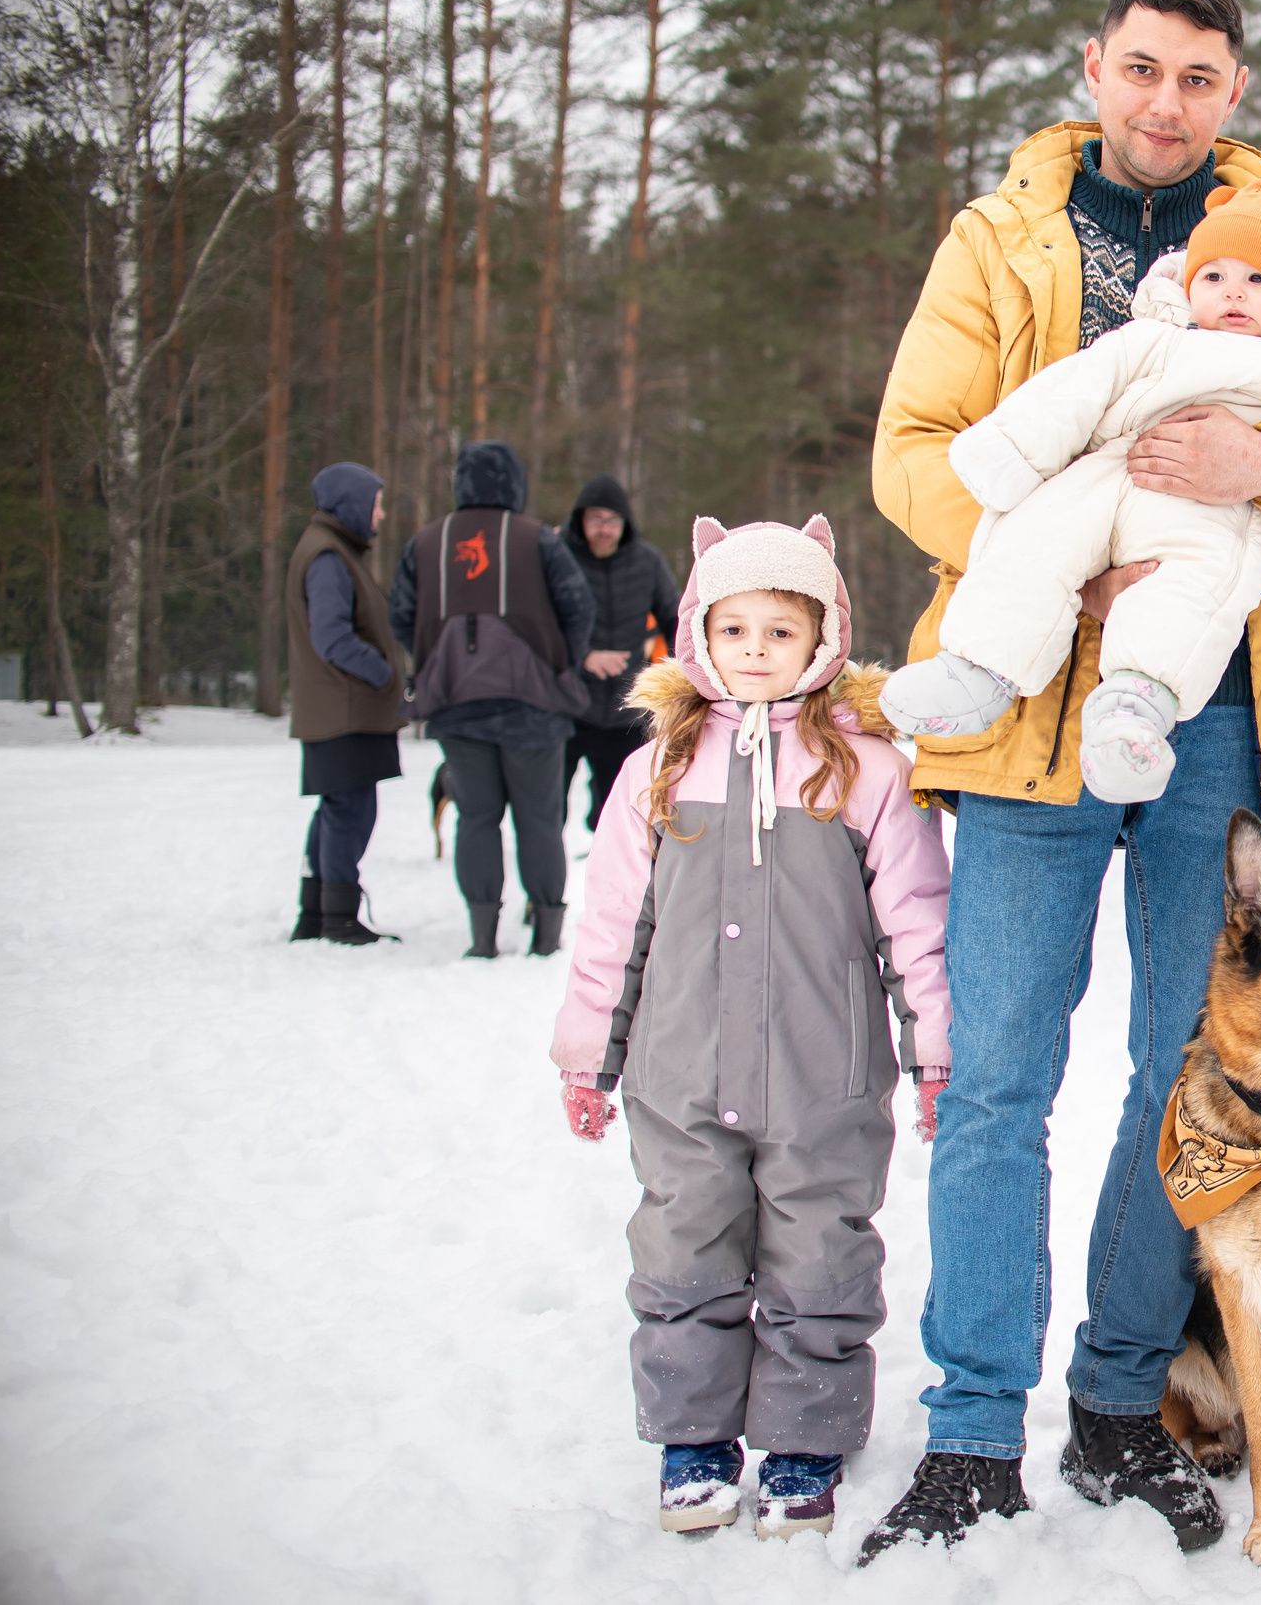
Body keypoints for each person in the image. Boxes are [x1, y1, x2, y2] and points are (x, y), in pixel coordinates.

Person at [861, 0, 1261, 1559]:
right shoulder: (1001, 238)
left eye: (1198, 79)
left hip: (1225, 715)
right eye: (1141, 69)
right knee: (998, 1083)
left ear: (1236, 94)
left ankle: (1116, 1404)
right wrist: (1058, 564)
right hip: (1029, 712)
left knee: (1186, 1079)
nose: (1166, 102)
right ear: (1095, 66)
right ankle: (968, 1435)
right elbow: (911, 455)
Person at [551, 512, 951, 1542]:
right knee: (684, 1241)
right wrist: (587, 1055)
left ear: (823, 637)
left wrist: (934, 1052)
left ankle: (806, 1434)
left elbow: (918, 920)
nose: (756, 651)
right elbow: (611, 925)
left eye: (781, 630)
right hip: (677, 1067)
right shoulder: (657, 769)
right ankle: (694, 1435)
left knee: (819, 1248)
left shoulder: (865, 768)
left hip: (825, 1072)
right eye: (734, 630)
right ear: (696, 633)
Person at [877, 176, 1261, 799]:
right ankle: (977, 670)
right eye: (1214, 277)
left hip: (1208, 510)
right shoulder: (1153, 339)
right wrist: (1013, 451)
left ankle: (1133, 712)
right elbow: (1078, 388)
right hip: (1106, 474)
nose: (1233, 293)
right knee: (1030, 538)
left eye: (1259, 279)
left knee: (1192, 586)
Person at [390, 441, 595, 959]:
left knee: (476, 819)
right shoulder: (537, 540)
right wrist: (557, 662)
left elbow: (401, 615)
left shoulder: (425, 543)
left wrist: (436, 657)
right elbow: (579, 607)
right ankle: (546, 935)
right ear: (515, 483)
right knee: (540, 821)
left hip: (455, 701)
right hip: (536, 706)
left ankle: (482, 938)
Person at [285, 461, 403, 945]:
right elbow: (331, 636)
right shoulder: (329, 556)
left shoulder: (332, 551)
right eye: (375, 504)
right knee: (350, 811)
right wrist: (383, 671)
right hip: (346, 710)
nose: (380, 516)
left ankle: (316, 914)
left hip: (339, 710)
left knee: (338, 809)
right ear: (352, 503)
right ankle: (338, 918)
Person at [562, 473, 682, 831]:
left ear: (625, 524)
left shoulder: (647, 561)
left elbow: (677, 618)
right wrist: (582, 655)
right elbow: (538, 622)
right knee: (547, 810)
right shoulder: (559, 557)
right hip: (565, 704)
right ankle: (545, 887)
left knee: (619, 811)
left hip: (625, 708)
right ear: (580, 520)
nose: (604, 528)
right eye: (595, 519)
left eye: (612, 520)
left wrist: (679, 675)